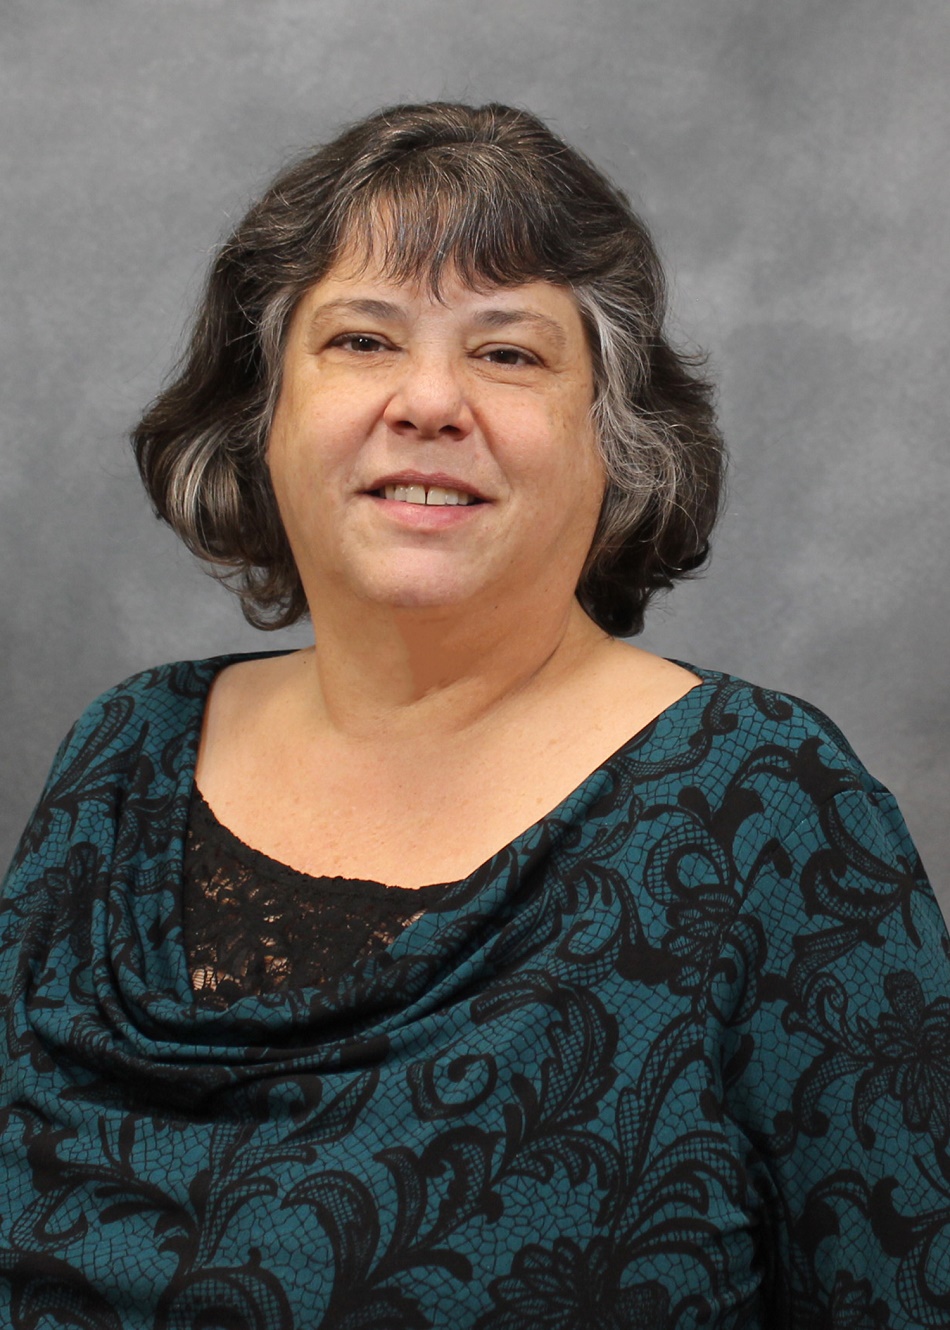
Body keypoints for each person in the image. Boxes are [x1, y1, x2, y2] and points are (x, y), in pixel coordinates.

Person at [1, 102, 947, 1329]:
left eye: (507, 354)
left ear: (617, 440)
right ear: (261, 416)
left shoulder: (764, 812)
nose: (429, 401)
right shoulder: (125, 754)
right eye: (361, 340)